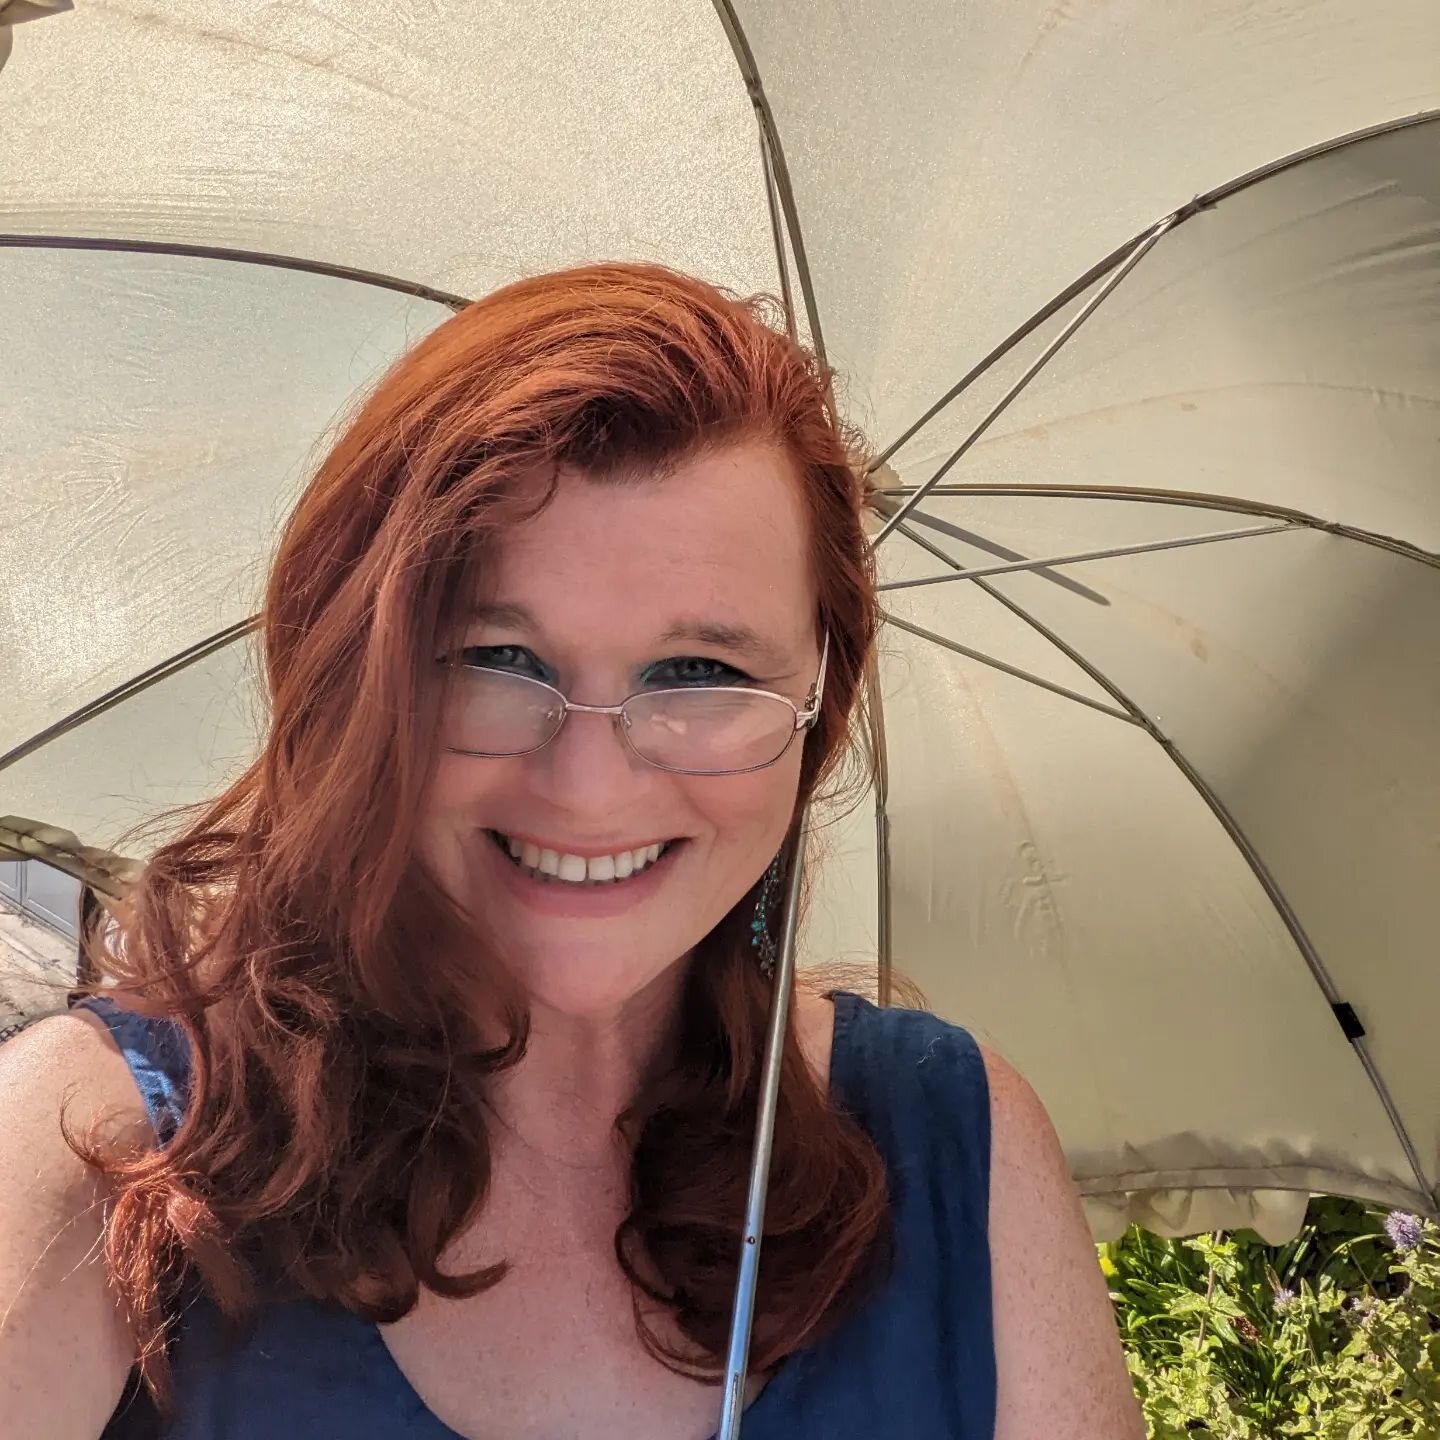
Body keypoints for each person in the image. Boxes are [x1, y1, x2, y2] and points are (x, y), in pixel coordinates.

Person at [0, 262, 1144, 1439]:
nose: (590, 786)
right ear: (360, 676)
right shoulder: (94, 1155)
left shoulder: (956, 1142)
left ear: (818, 714)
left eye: (703, 672)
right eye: (498, 657)